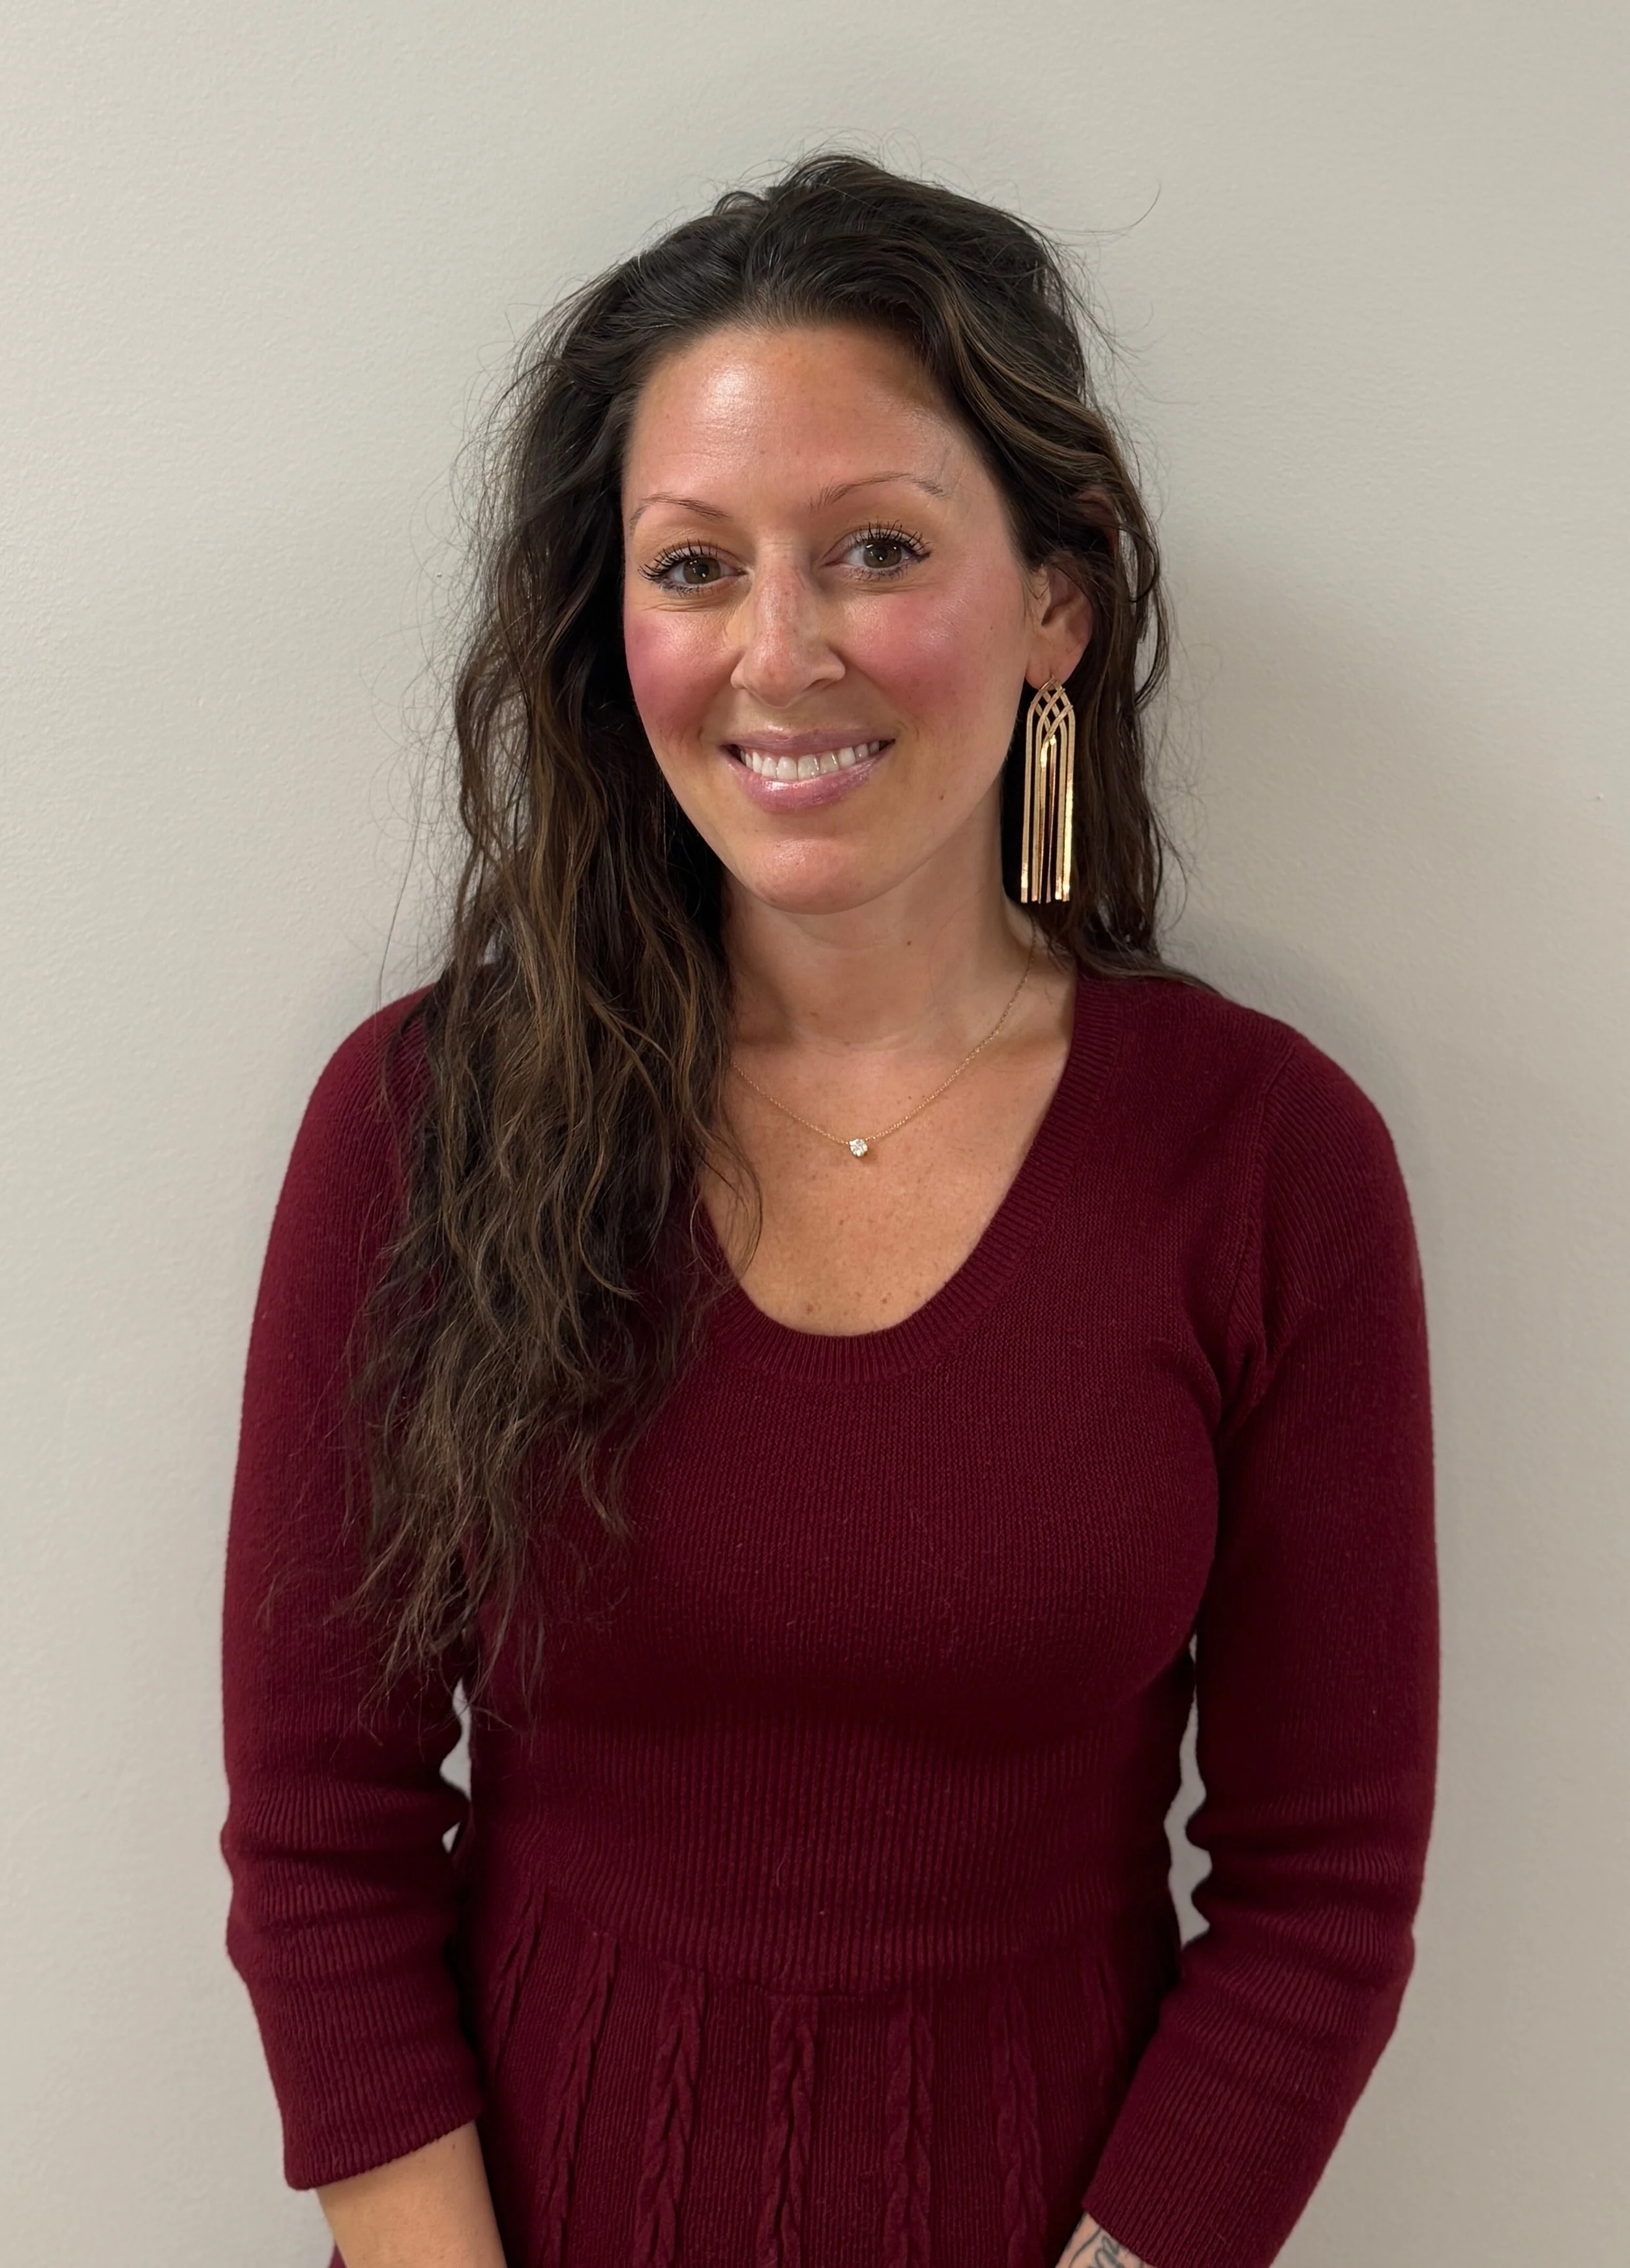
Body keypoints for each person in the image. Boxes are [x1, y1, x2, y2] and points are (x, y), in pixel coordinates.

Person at [219, 155, 1438, 2268]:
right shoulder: (422, 1122)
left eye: (874, 547)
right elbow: (322, 1837)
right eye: (693, 566)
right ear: (615, 624)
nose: (776, 654)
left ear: (1056, 601)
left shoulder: (1267, 1160)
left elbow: (1319, 1889)